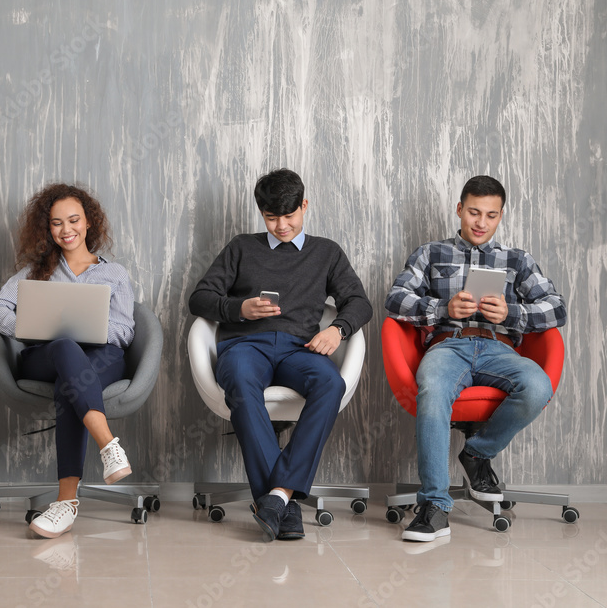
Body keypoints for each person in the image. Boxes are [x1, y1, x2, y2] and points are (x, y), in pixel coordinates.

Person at [189, 169, 372, 541]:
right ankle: (281, 503)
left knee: (330, 383)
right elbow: (199, 299)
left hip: (299, 350)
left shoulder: (326, 252)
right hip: (245, 346)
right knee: (239, 380)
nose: (282, 226)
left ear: (304, 205)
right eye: (272, 218)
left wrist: (338, 330)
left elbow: (360, 303)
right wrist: (241, 309)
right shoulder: (241, 246)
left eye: (289, 216)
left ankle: (276, 496)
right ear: (261, 213)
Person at [385, 175, 567, 542]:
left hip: (499, 348)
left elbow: (557, 308)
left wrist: (512, 314)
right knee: (433, 390)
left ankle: (477, 453)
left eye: (490, 215)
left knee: (537, 385)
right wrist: (442, 307)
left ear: (501, 216)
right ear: (459, 210)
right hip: (448, 345)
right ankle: (434, 507)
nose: (481, 222)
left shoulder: (517, 260)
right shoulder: (431, 253)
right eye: (473, 212)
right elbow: (395, 299)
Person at [0, 183, 135, 539]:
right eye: (56, 223)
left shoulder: (115, 274)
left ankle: (66, 503)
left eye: (73, 220)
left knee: (73, 380)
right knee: (65, 349)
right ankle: (109, 446)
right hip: (46, 356)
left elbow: (125, 330)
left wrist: (90, 332)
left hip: (101, 357)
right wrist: (27, 328)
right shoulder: (36, 271)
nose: (66, 230)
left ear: (88, 223)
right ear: (46, 229)